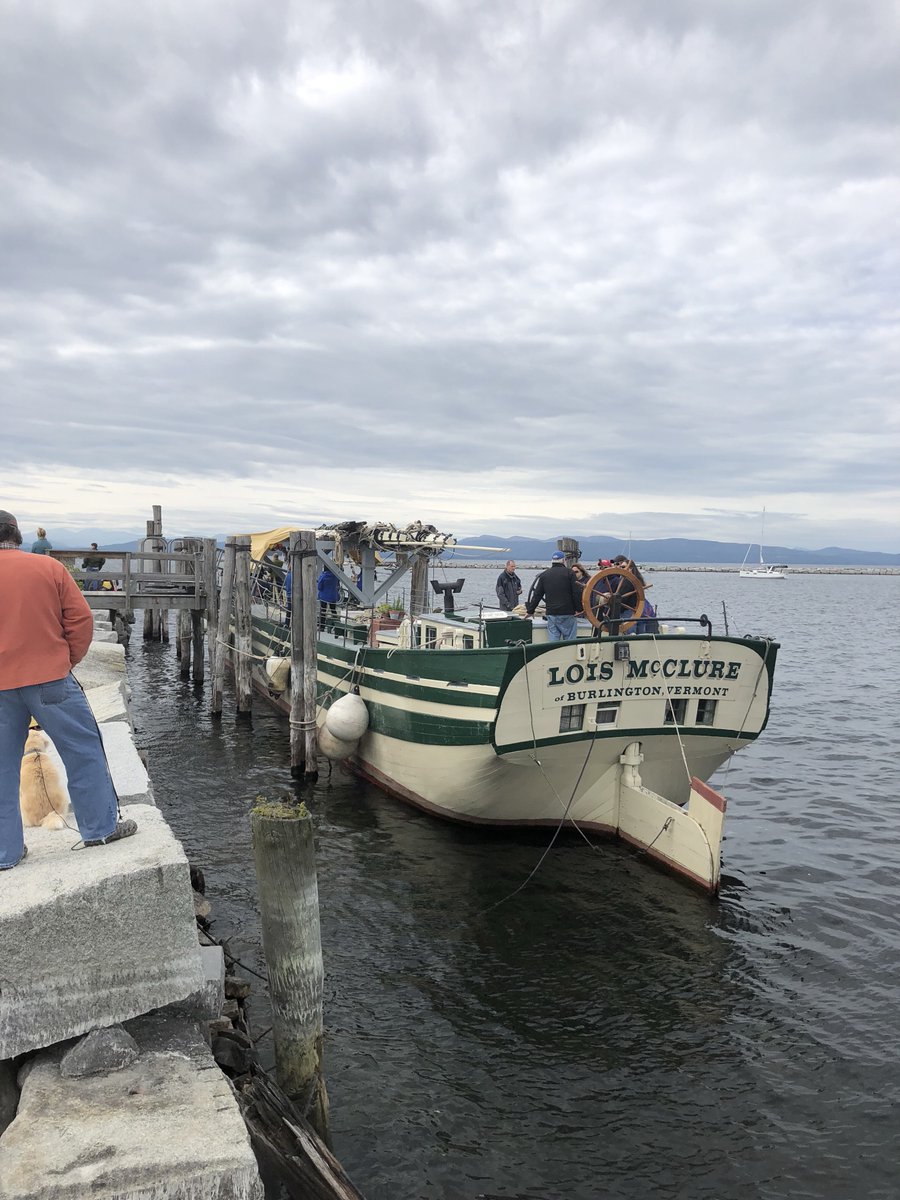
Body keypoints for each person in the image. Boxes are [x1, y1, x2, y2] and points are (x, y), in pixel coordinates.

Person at [0, 509, 137, 869]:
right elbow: (81, 620)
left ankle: (5, 852)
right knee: (83, 750)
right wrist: (66, 661)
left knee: (0, 768)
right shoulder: (49, 568)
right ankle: (99, 828)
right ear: (17, 535)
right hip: (50, 678)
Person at [525, 551, 583, 641]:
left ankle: (554, 653)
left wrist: (530, 610)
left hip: (551, 614)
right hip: (567, 613)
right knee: (570, 642)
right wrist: (579, 609)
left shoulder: (544, 575)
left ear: (552, 561)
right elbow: (576, 593)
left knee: (553, 642)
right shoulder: (570, 573)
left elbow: (537, 594)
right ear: (564, 560)